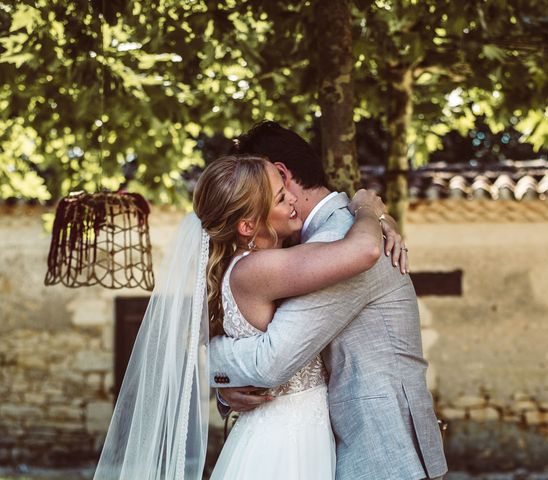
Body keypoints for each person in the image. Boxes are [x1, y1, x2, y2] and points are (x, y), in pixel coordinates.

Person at [93, 153, 404, 480]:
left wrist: (223, 383)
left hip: (291, 432)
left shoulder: (256, 263)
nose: (293, 200)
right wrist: (370, 210)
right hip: (286, 444)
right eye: (282, 198)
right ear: (248, 226)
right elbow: (364, 251)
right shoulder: (257, 268)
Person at [211, 121, 448, 480]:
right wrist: (227, 392)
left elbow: (273, 360)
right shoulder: (316, 242)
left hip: (384, 456)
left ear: (278, 173)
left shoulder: (341, 239)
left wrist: (203, 364)